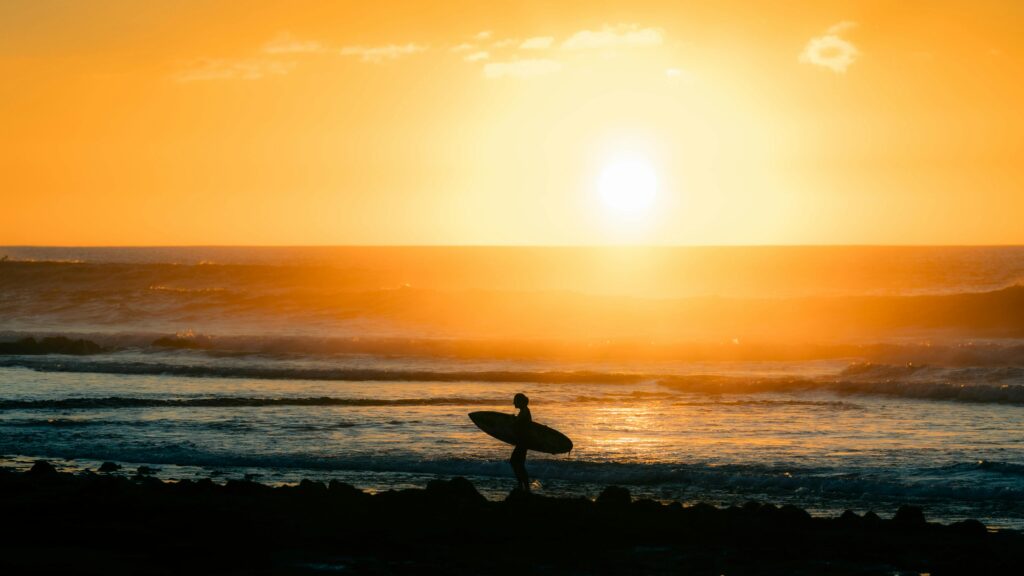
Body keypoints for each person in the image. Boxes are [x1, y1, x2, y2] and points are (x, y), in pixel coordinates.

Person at [510, 392, 532, 492]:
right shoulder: (524, 411)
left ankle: (524, 486)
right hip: (522, 442)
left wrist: (513, 421)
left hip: (523, 442)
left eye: (515, 400)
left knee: (515, 462)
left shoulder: (524, 412)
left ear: (520, 402)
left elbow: (517, 425)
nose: (513, 402)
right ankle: (523, 486)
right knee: (517, 463)